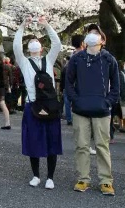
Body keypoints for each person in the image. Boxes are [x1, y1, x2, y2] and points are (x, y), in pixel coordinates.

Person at [66, 24, 119, 196]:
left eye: (96, 34)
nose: (92, 36)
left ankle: (106, 181)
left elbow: (116, 87)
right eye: (89, 33)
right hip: (81, 109)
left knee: (102, 146)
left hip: (102, 110)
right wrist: (76, 100)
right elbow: (69, 83)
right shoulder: (76, 59)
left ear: (103, 40)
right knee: (81, 145)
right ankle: (83, 178)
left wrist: (108, 102)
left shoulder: (109, 59)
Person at [14, 16, 62, 190]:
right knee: (33, 141)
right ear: (29, 48)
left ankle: (50, 177)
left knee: (52, 141)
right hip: (32, 105)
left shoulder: (48, 60)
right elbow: (16, 47)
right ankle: (36, 175)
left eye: (36, 40)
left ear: (41, 48)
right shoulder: (24, 62)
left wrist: (47, 25)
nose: (34, 41)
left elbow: (57, 44)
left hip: (49, 105)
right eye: (31, 40)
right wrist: (21, 26)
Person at [60, 35, 84, 126]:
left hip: (68, 83)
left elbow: (64, 71)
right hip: (79, 84)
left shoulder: (71, 56)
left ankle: (69, 119)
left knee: (67, 101)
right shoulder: (85, 56)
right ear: (82, 43)